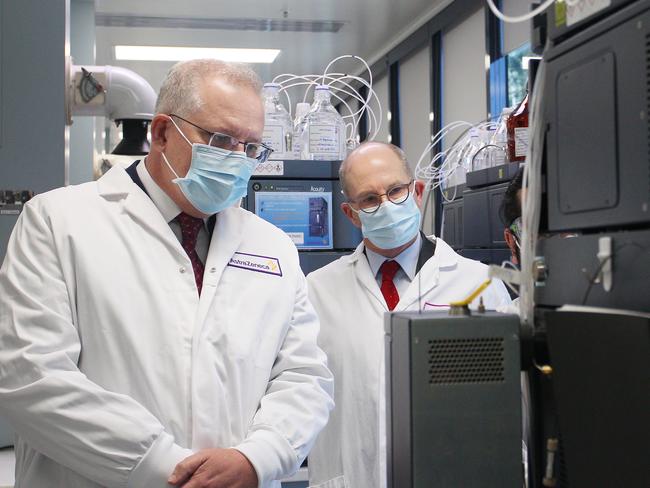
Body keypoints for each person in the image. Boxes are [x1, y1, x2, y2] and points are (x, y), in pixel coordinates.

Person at [0, 59, 334, 488]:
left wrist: (256, 459)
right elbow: (32, 377)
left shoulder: (274, 248)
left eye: (250, 148)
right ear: (161, 133)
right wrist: (166, 468)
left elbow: (304, 376)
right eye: (221, 139)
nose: (238, 160)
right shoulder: (57, 221)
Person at [306, 142, 511, 488]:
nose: (385, 205)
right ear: (350, 213)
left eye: (395, 191)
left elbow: (508, 408)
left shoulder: (478, 284)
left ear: (417, 191)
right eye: (369, 199)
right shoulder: (317, 291)